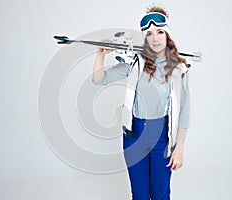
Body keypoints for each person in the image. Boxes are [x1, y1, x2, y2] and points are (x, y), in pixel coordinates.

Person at [92, 6, 190, 200]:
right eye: (149, 34)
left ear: (167, 34)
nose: (155, 38)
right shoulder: (135, 63)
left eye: (160, 32)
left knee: (161, 193)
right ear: (144, 39)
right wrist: (100, 55)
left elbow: (184, 112)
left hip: (162, 134)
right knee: (139, 193)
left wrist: (179, 149)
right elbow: (98, 79)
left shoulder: (179, 68)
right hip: (134, 133)